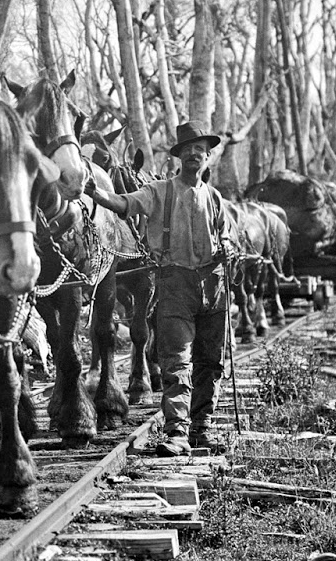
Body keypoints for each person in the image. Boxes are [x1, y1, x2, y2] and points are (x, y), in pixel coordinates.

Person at [86, 122, 229, 457]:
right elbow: (123, 204)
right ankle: (177, 432)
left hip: (214, 285)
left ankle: (202, 428)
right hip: (175, 283)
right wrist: (93, 191)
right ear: (179, 158)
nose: (195, 155)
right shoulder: (158, 192)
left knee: (211, 361)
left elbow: (227, 236)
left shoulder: (215, 198)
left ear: (207, 158)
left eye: (201, 151)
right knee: (177, 361)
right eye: (188, 151)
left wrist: (227, 248)